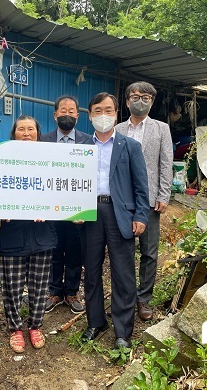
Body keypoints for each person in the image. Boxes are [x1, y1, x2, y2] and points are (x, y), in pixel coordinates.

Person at [81, 93, 149, 349]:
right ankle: (95, 322)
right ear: (90, 116)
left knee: (123, 274)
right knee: (92, 271)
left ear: (116, 113)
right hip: (90, 214)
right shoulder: (82, 147)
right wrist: (75, 213)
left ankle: (123, 330)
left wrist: (141, 215)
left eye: (108, 110)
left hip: (121, 215)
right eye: (97, 111)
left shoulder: (130, 147)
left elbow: (141, 186)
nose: (103, 115)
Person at [0, 115, 58, 353]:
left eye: (30, 129)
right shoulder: (1, 160)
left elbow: (59, 191)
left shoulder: (51, 160)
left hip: (42, 232)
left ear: (37, 133)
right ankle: (15, 328)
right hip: (13, 232)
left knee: (39, 284)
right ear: (14, 134)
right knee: (12, 286)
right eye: (21, 129)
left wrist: (49, 207)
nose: (25, 133)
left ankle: (35, 325)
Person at [114, 81, 173, 321]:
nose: (141, 101)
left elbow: (166, 163)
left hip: (149, 200)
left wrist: (164, 194)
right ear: (127, 101)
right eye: (136, 96)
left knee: (149, 252)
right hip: (121, 199)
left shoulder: (161, 129)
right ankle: (125, 295)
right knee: (122, 251)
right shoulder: (117, 129)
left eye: (146, 97)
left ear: (152, 102)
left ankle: (143, 299)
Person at [41, 96, 90, 314]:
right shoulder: (42, 141)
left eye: (72, 111)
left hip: (77, 209)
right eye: (63, 110)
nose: (67, 114)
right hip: (50, 208)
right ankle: (54, 292)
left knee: (74, 252)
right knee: (53, 250)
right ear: (55, 115)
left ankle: (71, 292)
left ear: (78, 116)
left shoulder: (89, 142)